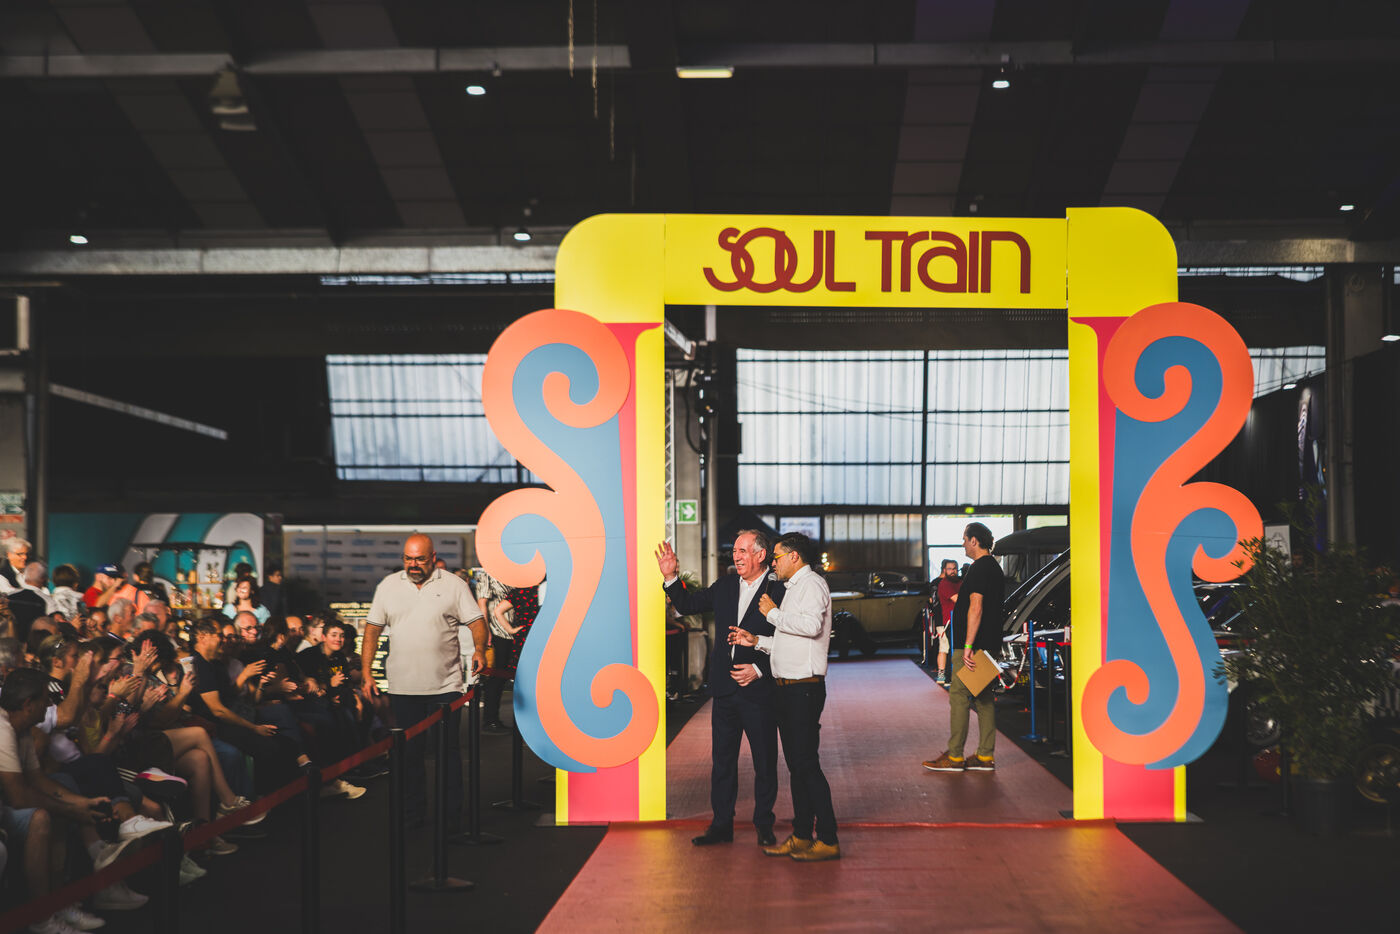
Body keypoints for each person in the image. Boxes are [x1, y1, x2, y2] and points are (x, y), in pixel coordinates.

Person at [657, 531, 781, 848]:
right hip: (725, 691)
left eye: (743, 551)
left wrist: (759, 670)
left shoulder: (779, 590)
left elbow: (792, 641)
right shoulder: (725, 586)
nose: (736, 556)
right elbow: (688, 604)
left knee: (765, 762)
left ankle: (764, 825)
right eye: (734, 551)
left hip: (760, 692)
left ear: (761, 555)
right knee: (722, 762)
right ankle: (721, 825)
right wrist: (670, 576)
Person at [361, 534, 485, 829]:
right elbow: (372, 630)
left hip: (446, 687)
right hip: (403, 689)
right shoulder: (388, 586)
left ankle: (451, 819)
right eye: (408, 559)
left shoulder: (454, 585)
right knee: (408, 757)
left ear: (433, 557)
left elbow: (477, 621)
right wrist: (366, 672)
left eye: (419, 559)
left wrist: (480, 649)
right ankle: (412, 816)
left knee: (447, 755)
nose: (413, 564)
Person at [730, 532, 839, 862]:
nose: (773, 562)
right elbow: (791, 641)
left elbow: (811, 627)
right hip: (788, 687)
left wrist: (773, 614)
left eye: (777, 556)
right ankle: (803, 835)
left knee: (806, 765)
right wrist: (757, 641)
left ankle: (828, 838)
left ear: (795, 557)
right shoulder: (793, 588)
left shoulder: (813, 585)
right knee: (796, 766)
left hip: (803, 688)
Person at [923, 522, 1006, 773]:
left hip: (972, 646)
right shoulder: (995, 568)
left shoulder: (980, 567)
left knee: (958, 695)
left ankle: (955, 756)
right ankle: (985, 755)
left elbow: (976, 607)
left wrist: (968, 644)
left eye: (964, 539)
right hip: (989, 643)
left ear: (974, 541)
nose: (962, 544)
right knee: (984, 698)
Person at [934, 559, 961, 684]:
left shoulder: (960, 582)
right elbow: (958, 599)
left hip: (959, 620)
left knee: (953, 648)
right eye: (950, 569)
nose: (953, 571)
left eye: (954, 568)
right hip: (947, 621)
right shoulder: (944, 584)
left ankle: (951, 676)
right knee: (946, 648)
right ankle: (946, 676)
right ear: (944, 570)